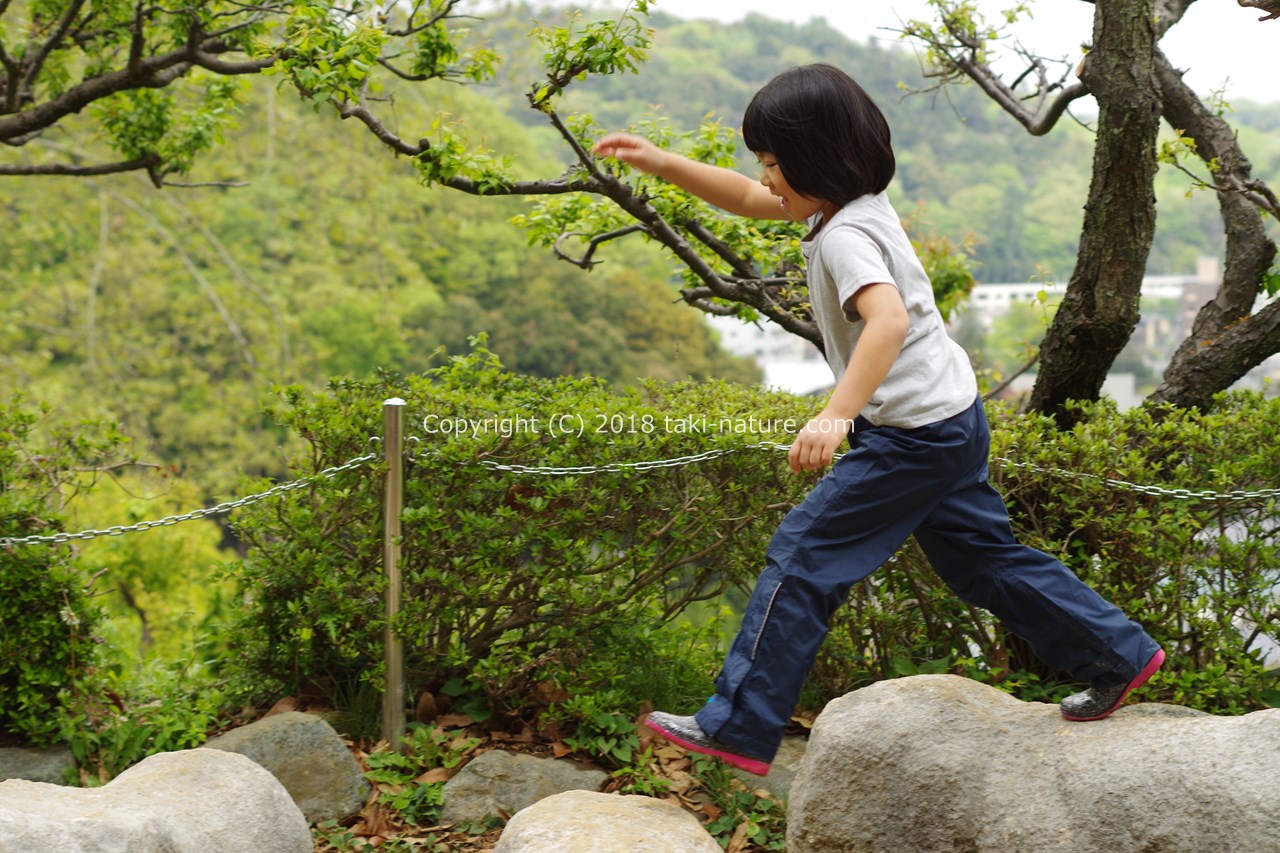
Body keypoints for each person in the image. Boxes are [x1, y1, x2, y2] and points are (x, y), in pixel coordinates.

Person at [592, 63, 1164, 778]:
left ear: (811, 160)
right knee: (984, 560)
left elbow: (887, 320)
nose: (764, 178)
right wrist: (662, 162)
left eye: (772, 163)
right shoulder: (850, 205)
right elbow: (744, 197)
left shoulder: (842, 237)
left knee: (801, 558)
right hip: (950, 415)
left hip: (911, 435)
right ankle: (1120, 654)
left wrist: (836, 415)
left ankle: (735, 722)